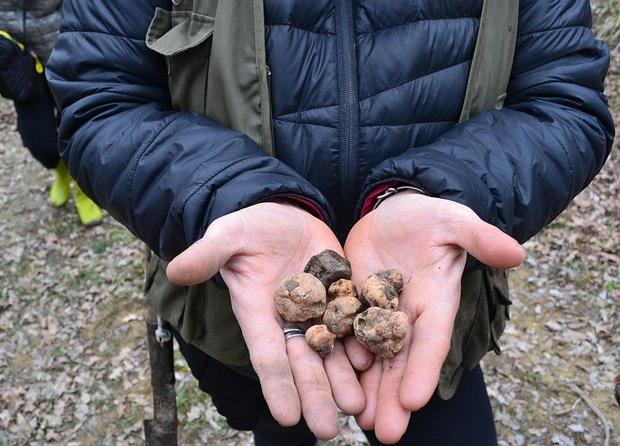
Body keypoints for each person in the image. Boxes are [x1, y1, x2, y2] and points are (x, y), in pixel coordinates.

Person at [45, 1, 614, 444]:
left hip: (432, 307)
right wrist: (231, 196)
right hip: (239, 307)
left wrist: (436, 190)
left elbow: (564, 101)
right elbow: (100, 100)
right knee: (277, 421)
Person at [0, 0, 102, 226]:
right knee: (38, 140)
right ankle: (61, 170)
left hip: (66, 52)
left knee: (79, 128)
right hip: (16, 61)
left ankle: (82, 187)